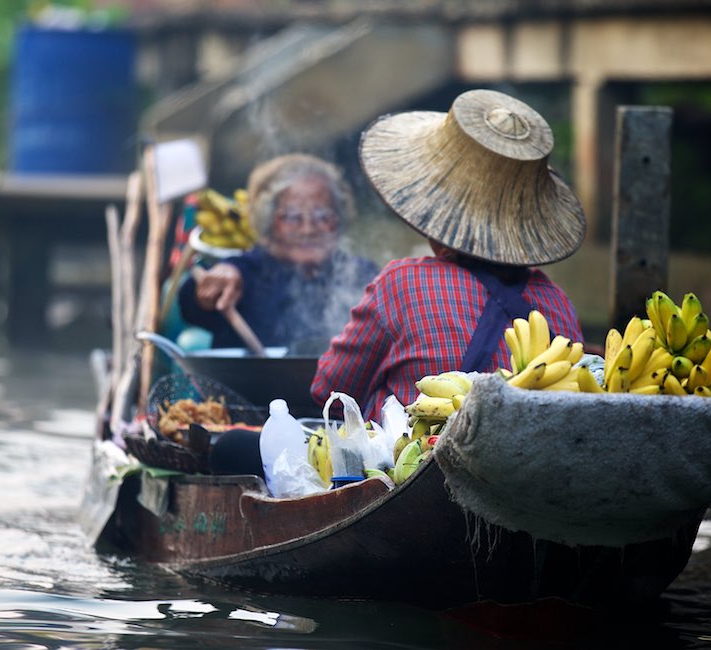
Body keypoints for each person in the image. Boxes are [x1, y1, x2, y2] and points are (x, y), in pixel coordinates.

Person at [312, 89, 587, 423]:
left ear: (435, 218)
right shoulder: (555, 301)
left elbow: (332, 392)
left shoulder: (401, 282)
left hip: (415, 470)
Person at [179, 153, 378, 353]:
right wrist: (214, 284)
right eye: (291, 217)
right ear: (267, 221)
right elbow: (191, 305)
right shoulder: (246, 273)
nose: (307, 229)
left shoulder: (361, 274)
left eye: (323, 216)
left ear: (339, 219)